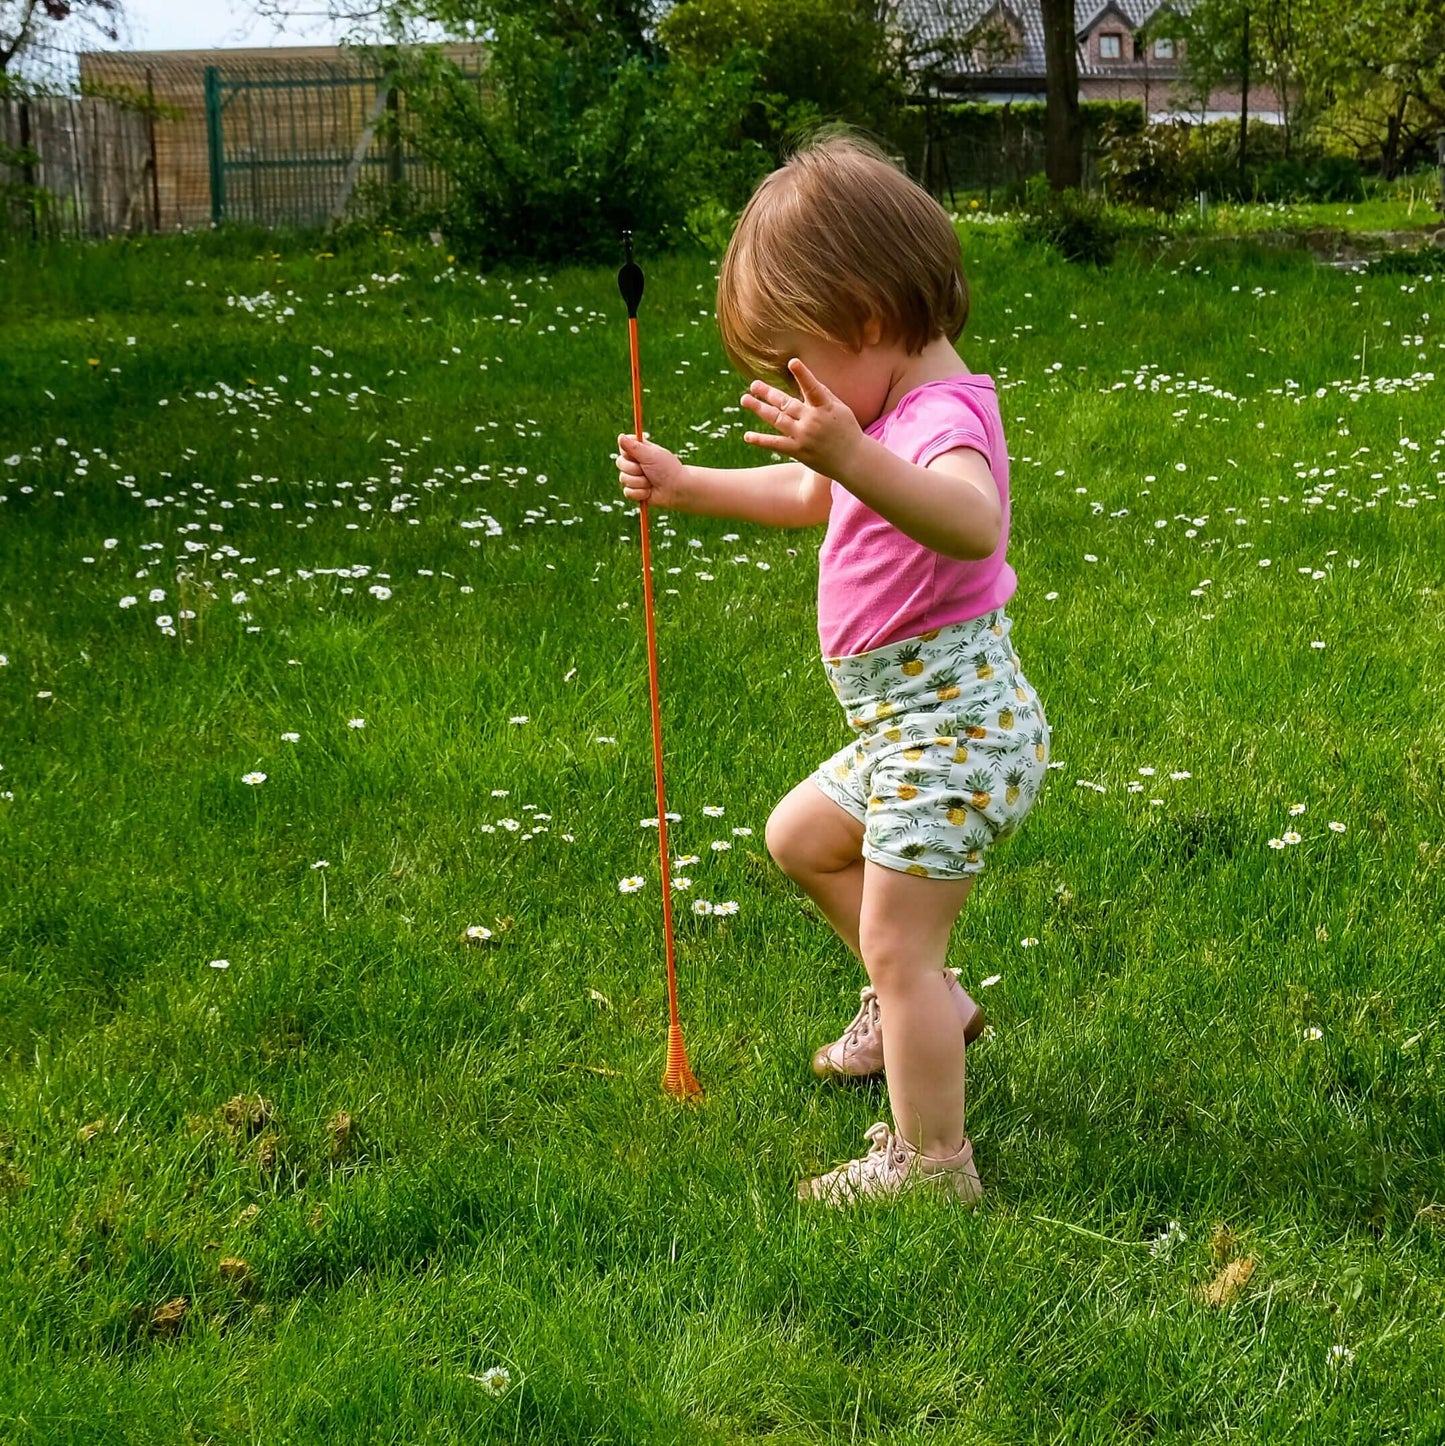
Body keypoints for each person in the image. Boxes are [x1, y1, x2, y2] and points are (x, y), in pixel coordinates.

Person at [613, 127, 1050, 1206]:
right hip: (905, 733)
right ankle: (924, 1009)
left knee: (899, 944)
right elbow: (813, 495)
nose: (788, 389)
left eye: (792, 361)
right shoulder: (878, 412)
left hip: (953, 739)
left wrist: (849, 450)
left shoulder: (939, 418)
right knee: (799, 837)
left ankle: (931, 1162)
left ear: (864, 321)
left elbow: (970, 518)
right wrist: (688, 484)